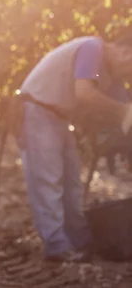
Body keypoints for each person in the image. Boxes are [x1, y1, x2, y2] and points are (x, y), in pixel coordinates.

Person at [17, 34, 132, 263]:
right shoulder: (92, 48)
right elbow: (85, 93)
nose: (128, 75)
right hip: (37, 110)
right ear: (125, 52)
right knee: (48, 182)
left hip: (60, 117)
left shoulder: (112, 75)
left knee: (72, 184)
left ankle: (81, 242)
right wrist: (123, 112)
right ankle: (57, 248)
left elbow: (125, 118)